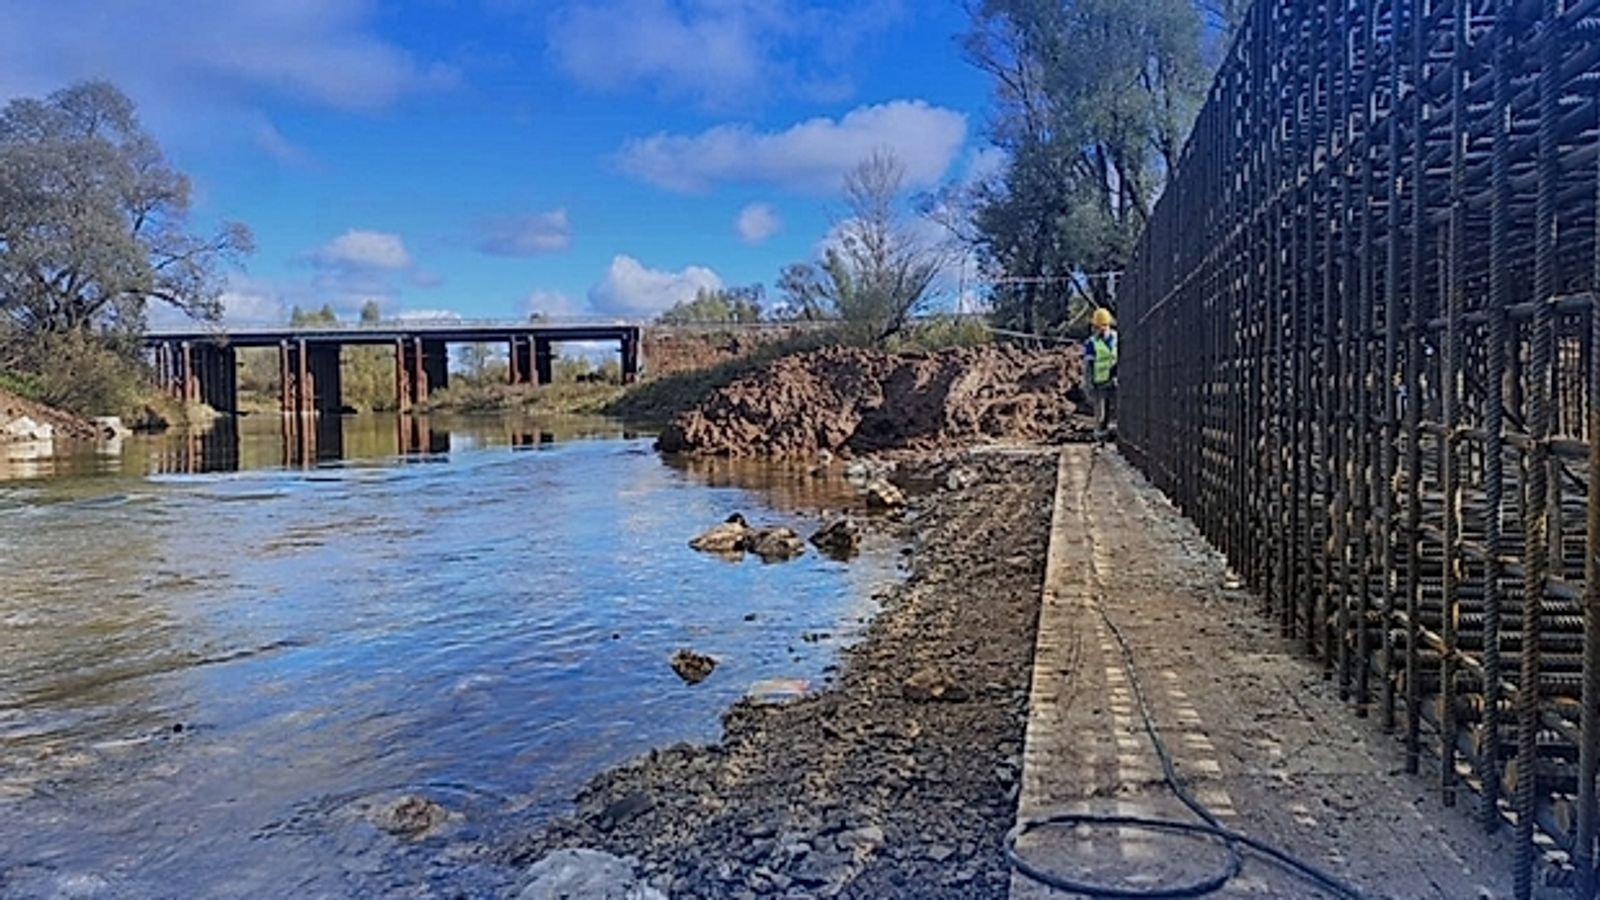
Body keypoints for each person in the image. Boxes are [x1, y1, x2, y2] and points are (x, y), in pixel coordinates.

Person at [1082, 307, 1118, 441]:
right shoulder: (1091, 343)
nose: (1099, 330)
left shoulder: (1116, 338)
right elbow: (1088, 366)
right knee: (1101, 415)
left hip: (1114, 380)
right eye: (1097, 327)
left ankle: (1114, 437)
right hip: (1099, 383)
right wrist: (1088, 383)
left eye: (1102, 326)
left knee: (1116, 411)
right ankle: (1100, 439)